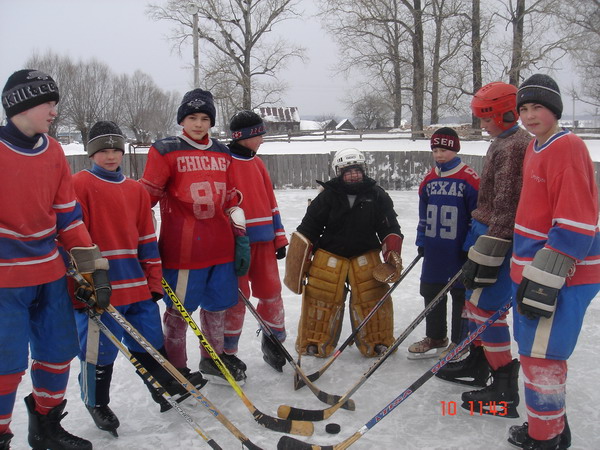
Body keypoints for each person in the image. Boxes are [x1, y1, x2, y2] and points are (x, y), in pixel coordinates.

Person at [71, 121, 206, 434]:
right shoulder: (79, 185)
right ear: (91, 153)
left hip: (136, 285)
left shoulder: (135, 191)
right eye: (102, 150)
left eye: (115, 149)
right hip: (99, 286)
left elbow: (147, 239)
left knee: (148, 340)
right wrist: (86, 283)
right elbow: (75, 239)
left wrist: (154, 280)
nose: (110, 156)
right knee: (100, 349)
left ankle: (162, 390)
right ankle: (97, 401)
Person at [0, 69, 110, 450]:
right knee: (5, 366)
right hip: (4, 281)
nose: (53, 111)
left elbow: (68, 215)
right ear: (23, 104)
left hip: (49, 274)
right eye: (48, 102)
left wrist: (92, 268)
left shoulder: (53, 150)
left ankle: (45, 427)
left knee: (58, 353)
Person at [505, 74, 600, 450]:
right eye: (523, 109)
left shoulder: (567, 146)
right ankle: (554, 427)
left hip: (558, 275)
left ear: (555, 109)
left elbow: (577, 222)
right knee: (535, 352)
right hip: (534, 270)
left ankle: (545, 439)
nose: (529, 116)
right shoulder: (536, 147)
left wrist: (546, 276)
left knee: (542, 357)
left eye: (537, 107)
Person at [140, 88, 250, 384]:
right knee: (178, 312)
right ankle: (176, 367)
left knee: (217, 308)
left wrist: (240, 235)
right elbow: (146, 197)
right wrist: (137, 233)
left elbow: (230, 198)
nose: (199, 124)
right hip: (184, 250)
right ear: (182, 120)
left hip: (220, 247)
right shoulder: (165, 150)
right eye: (192, 117)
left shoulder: (222, 152)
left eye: (204, 118)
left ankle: (212, 359)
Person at [435, 81, 531, 419]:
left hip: (498, 237)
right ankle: (479, 361)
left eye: (486, 118)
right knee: (475, 303)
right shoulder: (502, 142)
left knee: (486, 307)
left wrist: (490, 248)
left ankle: (503, 384)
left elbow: (506, 205)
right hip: (485, 231)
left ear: (506, 113)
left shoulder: (512, 147)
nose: (482, 124)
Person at [292, 148, 403, 358]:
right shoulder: (327, 197)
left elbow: (390, 227)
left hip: (366, 255)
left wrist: (392, 253)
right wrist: (302, 261)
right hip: (330, 255)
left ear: (364, 170)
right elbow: (309, 228)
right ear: (339, 172)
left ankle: (377, 341)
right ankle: (314, 342)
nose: (354, 174)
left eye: (357, 170)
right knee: (319, 298)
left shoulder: (377, 195)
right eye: (348, 171)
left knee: (372, 298)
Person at [223, 111, 289, 371]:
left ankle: (274, 341)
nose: (262, 138)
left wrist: (279, 236)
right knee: (237, 299)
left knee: (272, 293)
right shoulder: (224, 161)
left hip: (264, 242)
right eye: (259, 133)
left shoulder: (258, 163)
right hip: (235, 244)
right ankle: (227, 351)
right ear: (245, 136)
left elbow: (271, 202)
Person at [408, 128, 479, 359]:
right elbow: (423, 214)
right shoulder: (430, 179)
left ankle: (460, 341)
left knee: (460, 294)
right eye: (436, 150)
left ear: (455, 149)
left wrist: (470, 245)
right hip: (435, 249)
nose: (439, 155)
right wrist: (421, 240)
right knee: (431, 290)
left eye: (444, 150)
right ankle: (436, 336)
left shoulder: (469, 178)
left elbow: (477, 216)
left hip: (458, 250)